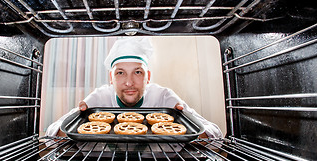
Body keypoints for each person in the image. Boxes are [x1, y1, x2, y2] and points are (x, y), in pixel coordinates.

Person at [45, 37, 222, 139]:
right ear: (111, 79)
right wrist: (78, 118)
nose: (129, 82)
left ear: (148, 77)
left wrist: (186, 121)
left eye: (137, 72)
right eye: (120, 73)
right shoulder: (99, 97)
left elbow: (216, 134)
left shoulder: (164, 97)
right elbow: (51, 136)